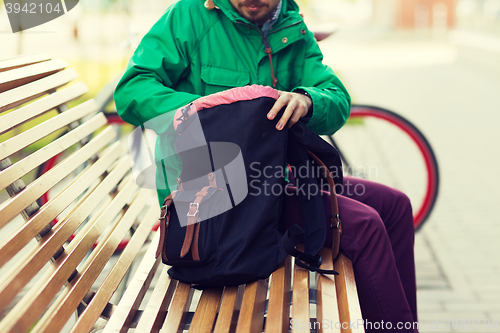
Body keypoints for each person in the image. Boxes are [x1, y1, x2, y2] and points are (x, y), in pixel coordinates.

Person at [114, 0, 419, 331]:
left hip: (272, 178)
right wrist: (204, 110)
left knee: (395, 205)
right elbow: (132, 89)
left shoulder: (289, 24)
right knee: (366, 227)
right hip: (211, 196)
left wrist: (307, 100)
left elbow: (337, 97)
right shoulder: (190, 16)